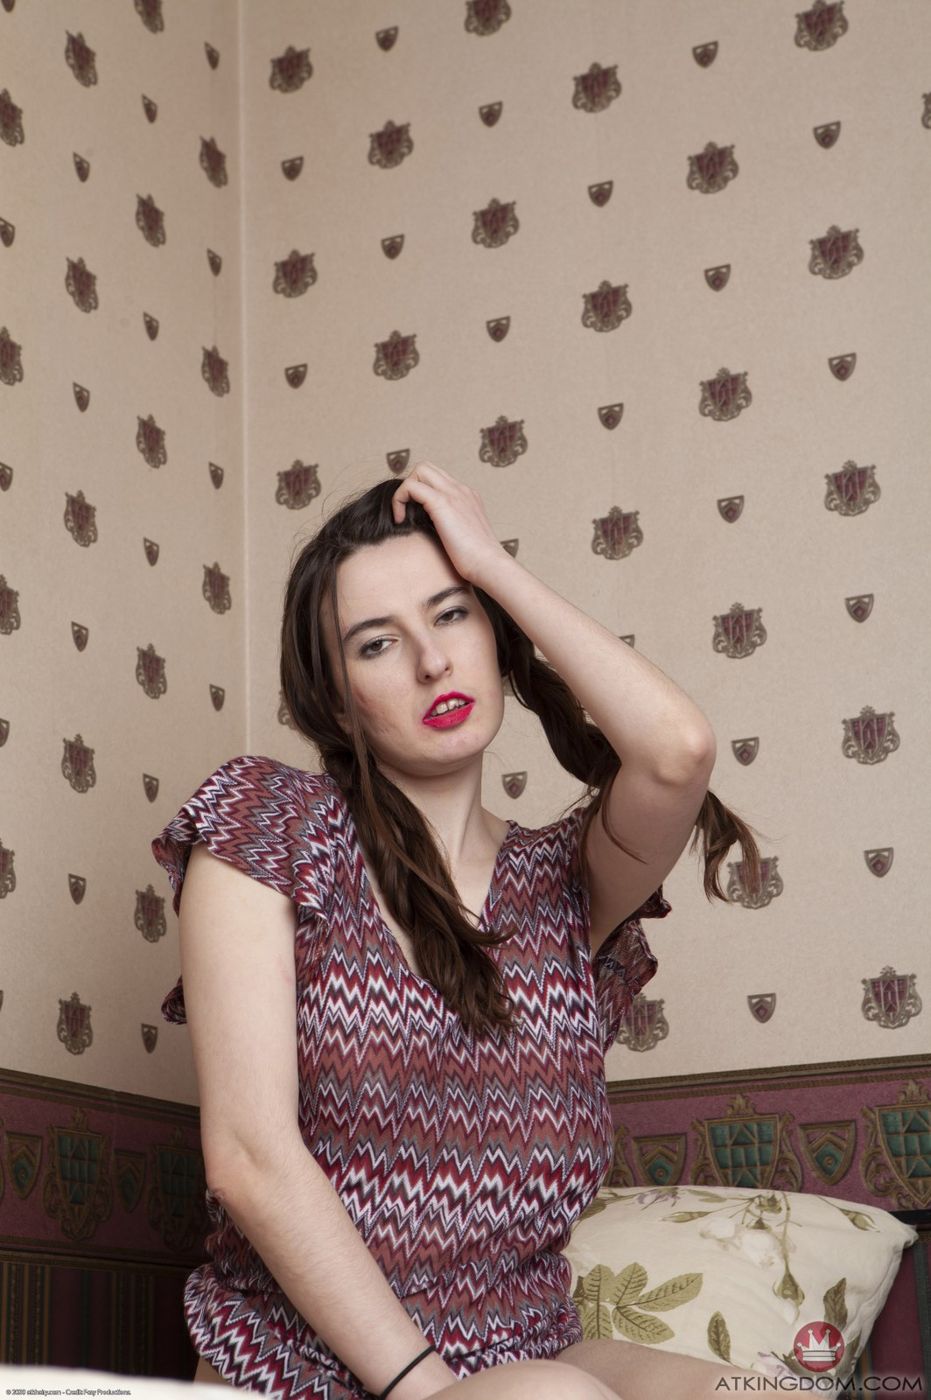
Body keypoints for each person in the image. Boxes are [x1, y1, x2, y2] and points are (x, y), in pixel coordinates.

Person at [153, 463, 763, 1399]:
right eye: (376, 644)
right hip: (299, 1367)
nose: (432, 662)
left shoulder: (562, 884)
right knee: (552, 1397)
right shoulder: (270, 824)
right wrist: (431, 1390)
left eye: (452, 615)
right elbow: (248, 1161)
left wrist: (493, 566)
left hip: (520, 1356)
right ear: (335, 695)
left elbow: (676, 751)